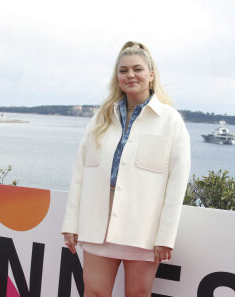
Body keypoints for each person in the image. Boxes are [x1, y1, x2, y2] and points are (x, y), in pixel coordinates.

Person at [61, 41, 191, 297]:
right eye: (123, 70)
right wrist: (71, 223)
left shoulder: (170, 120)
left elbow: (177, 182)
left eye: (137, 69)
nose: (130, 75)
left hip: (143, 228)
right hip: (98, 225)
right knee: (94, 293)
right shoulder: (102, 117)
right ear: (117, 77)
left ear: (151, 75)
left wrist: (165, 236)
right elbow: (80, 174)